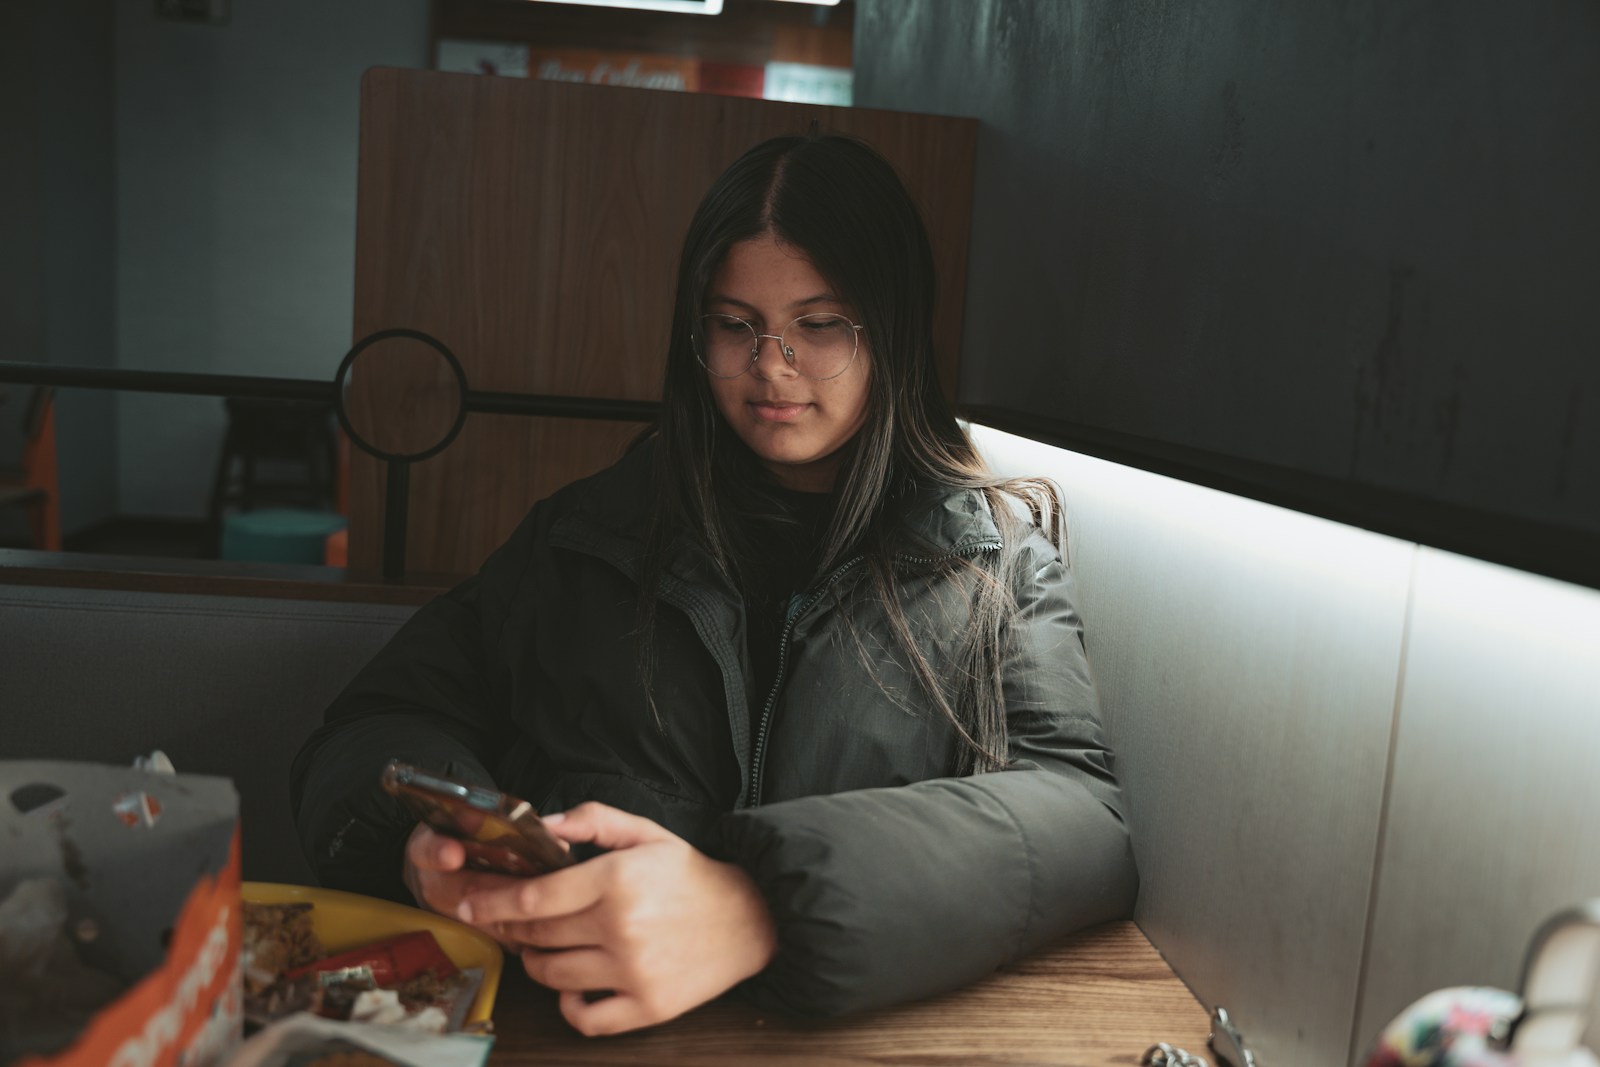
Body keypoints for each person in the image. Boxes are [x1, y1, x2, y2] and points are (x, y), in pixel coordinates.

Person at [290, 133, 1137, 1036]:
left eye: (819, 324)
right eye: (735, 324)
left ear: (890, 330)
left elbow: (1082, 822)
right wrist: (424, 840)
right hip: (577, 1034)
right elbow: (376, 721)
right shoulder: (584, 535)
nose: (770, 363)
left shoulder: (993, 560)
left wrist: (760, 906)